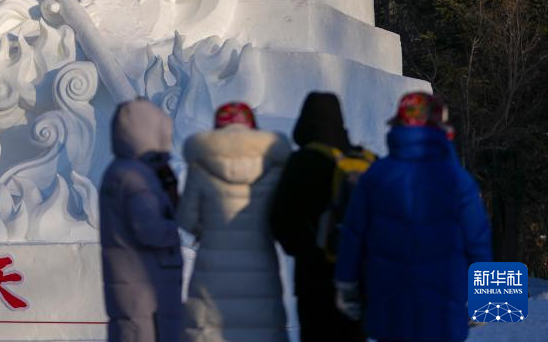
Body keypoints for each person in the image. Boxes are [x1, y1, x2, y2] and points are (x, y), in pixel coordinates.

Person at [334, 92, 492, 342]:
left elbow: (353, 236)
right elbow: (477, 241)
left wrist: (346, 284)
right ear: (440, 126)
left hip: (388, 307)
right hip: (443, 310)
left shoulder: (375, 177)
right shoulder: (459, 181)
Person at [178, 101, 291, 342]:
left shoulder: (201, 165)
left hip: (212, 268)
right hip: (259, 268)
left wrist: (208, 231)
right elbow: (281, 219)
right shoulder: (273, 167)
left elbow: (186, 218)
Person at [269, 91, 369, 342]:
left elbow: (280, 221)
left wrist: (307, 249)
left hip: (313, 278)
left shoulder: (302, 162)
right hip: (357, 278)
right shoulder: (363, 162)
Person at [99, 99, 182, 342]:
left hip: (136, 288)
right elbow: (151, 230)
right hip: (145, 289)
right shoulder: (134, 176)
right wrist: (176, 226)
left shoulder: (121, 171)